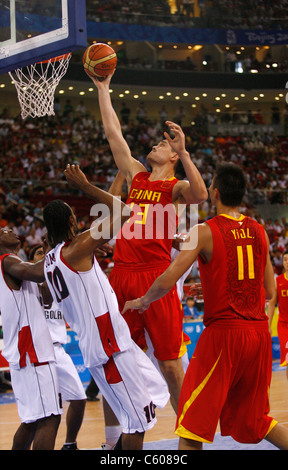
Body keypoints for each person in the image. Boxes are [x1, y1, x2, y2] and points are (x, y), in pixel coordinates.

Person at [123, 163, 288, 450]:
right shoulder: (260, 230)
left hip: (225, 335)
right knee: (257, 421)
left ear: (215, 193)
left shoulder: (205, 230)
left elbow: (168, 278)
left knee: (191, 424)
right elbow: (269, 291)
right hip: (259, 335)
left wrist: (142, 300)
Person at [89, 72, 208, 414]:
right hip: (122, 274)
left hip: (155, 276)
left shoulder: (176, 188)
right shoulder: (136, 174)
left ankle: (189, 430)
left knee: (171, 365)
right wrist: (103, 89)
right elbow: (113, 133)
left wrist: (184, 152)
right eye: (158, 143)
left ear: (171, 158)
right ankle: (124, 435)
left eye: (163, 144)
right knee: (124, 359)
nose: (155, 144)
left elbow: (200, 195)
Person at [43, 164, 170, 451]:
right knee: (138, 423)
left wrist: (122, 173)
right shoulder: (77, 249)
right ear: (72, 223)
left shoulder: (51, 259)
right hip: (108, 346)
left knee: (147, 404)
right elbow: (125, 212)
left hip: (110, 342)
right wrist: (85, 186)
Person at [0, 229, 62, 450]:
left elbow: (45, 298)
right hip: (31, 350)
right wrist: (56, 250)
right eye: (3, 231)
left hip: (27, 351)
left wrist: (47, 252)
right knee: (50, 418)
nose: (10, 230)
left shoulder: (15, 264)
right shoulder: (7, 261)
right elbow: (38, 272)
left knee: (33, 420)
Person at [29, 244, 87, 451]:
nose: (43, 255)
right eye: (38, 253)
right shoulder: (26, 281)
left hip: (59, 350)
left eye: (45, 252)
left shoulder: (59, 281)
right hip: (37, 351)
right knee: (43, 415)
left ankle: (70, 444)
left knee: (79, 399)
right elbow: (44, 295)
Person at [267, 251, 288, 376]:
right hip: (284, 326)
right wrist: (268, 326)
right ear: (283, 263)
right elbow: (271, 304)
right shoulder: (277, 281)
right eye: (285, 259)